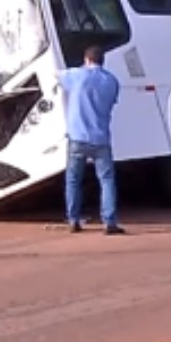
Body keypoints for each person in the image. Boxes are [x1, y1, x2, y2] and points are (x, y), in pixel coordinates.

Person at [58, 45, 125, 235]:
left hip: (78, 137)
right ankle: (109, 222)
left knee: (73, 179)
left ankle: (73, 220)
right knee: (106, 180)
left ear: (86, 60)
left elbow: (56, 75)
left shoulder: (76, 75)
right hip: (101, 138)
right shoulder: (112, 81)